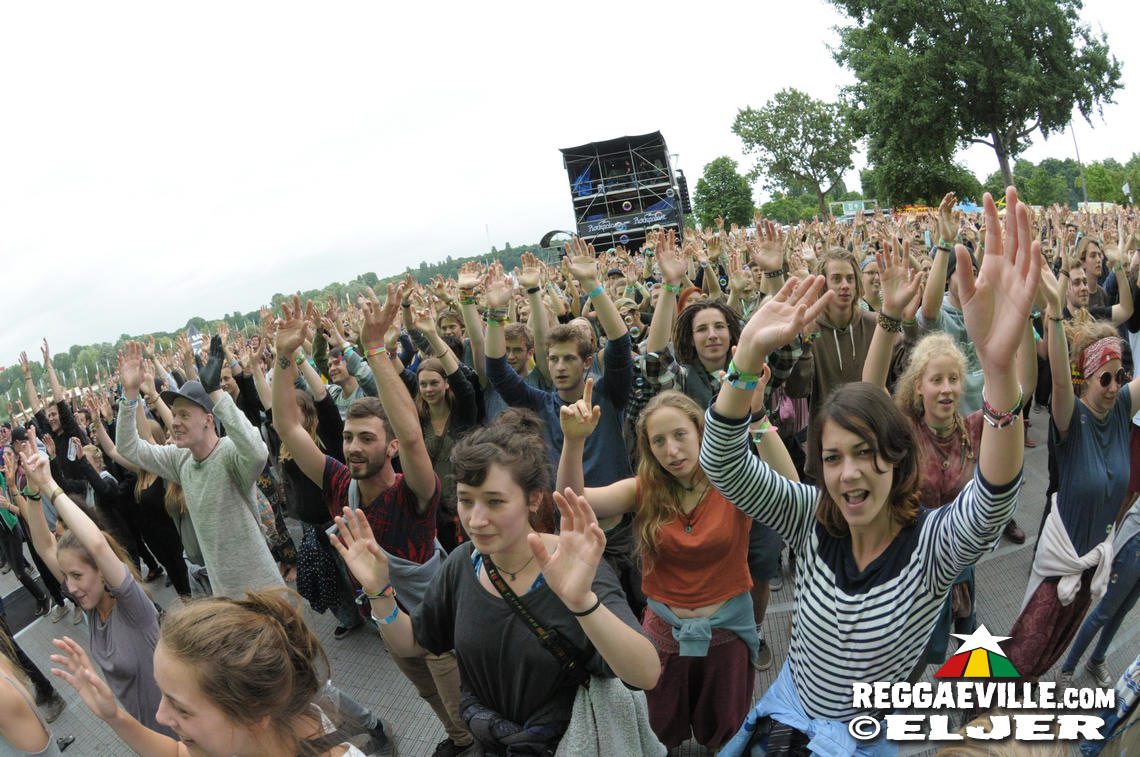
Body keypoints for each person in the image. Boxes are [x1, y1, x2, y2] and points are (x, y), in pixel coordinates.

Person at [706, 188, 1035, 754]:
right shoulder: (812, 517)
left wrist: (999, 370)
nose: (848, 474)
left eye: (865, 454)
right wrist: (745, 357)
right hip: (784, 721)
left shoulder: (931, 546)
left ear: (896, 457)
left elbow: (993, 497)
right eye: (832, 458)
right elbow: (725, 464)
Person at [331, 411, 661, 755]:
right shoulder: (462, 563)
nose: (476, 519)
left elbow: (646, 674)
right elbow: (414, 641)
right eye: (466, 500)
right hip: (489, 741)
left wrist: (581, 602)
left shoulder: (575, 566)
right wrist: (379, 591)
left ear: (533, 499)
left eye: (495, 501)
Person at [272, 292, 460, 756]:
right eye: (348, 437)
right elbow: (288, 427)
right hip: (389, 621)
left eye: (367, 439)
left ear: (390, 447)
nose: (353, 447)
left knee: (465, 711)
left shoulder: (413, 492)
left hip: (441, 629)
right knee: (431, 701)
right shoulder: (339, 483)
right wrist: (283, 358)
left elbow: (415, 436)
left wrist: (375, 352)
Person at [556, 386, 788, 750]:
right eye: (658, 441)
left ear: (701, 432)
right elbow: (573, 500)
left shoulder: (735, 481)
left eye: (680, 435)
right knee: (657, 733)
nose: (672, 450)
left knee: (728, 735)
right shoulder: (644, 489)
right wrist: (573, 443)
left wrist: (758, 418)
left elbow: (789, 486)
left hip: (726, 634)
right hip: (664, 635)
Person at [1005, 264, 1140, 679]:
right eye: (1105, 378)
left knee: (1051, 651)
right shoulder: (1073, 418)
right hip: (1060, 564)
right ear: (1086, 378)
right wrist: (1055, 312)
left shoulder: (1121, 409)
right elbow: (1061, 384)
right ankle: (981, 713)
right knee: (1024, 652)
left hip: (1090, 567)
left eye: (1121, 376)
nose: (1115, 385)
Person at [51, 590, 370, 757]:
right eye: (162, 694)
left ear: (253, 714)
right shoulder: (252, 736)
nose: (160, 716)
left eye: (182, 708)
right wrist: (114, 716)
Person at [8, 435, 172, 736]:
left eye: (77, 576)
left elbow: (96, 544)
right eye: (66, 577)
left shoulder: (134, 607)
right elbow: (44, 547)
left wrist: (50, 485)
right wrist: (31, 491)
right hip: (148, 736)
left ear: (102, 571)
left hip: (181, 735)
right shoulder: (93, 611)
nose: (69, 587)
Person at [115, 337, 285, 599]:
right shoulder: (179, 459)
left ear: (208, 420)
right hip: (225, 597)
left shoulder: (229, 452)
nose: (175, 422)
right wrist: (129, 395)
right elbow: (128, 447)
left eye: (184, 415)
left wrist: (215, 390)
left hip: (264, 590)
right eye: (174, 414)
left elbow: (257, 451)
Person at [1059, 496, 1140, 688]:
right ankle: (1066, 670)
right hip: (1135, 543)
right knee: (1104, 612)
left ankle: (1096, 659)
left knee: (1122, 610)